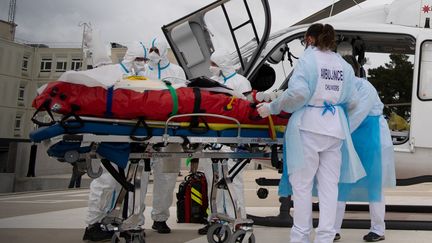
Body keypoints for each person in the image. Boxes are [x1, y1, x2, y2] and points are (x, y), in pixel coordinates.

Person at [257, 23, 366, 243]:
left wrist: (272, 108)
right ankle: (325, 237)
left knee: (302, 185)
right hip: (334, 129)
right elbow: (354, 100)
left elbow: (297, 93)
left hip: (308, 127)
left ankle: (300, 237)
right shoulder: (342, 65)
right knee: (329, 186)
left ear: (309, 39)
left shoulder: (308, 60)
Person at [82, 41, 148, 242]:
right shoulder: (111, 74)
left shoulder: (141, 78)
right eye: (139, 59)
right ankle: (93, 224)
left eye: (144, 60)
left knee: (130, 185)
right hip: (110, 138)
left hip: (130, 138)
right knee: (105, 184)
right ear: (130, 58)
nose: (142, 63)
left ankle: (125, 222)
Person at [333, 55, 396, 242]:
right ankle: (332, 229)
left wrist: (334, 136)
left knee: (373, 185)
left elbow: (357, 116)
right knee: (339, 184)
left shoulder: (365, 87)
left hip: (370, 138)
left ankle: (378, 229)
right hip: (350, 137)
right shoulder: (341, 88)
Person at [198, 48, 252, 235]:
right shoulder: (213, 82)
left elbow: (246, 108)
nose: (211, 67)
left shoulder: (240, 82)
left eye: (214, 64)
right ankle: (214, 220)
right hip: (211, 138)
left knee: (233, 182)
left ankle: (236, 220)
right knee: (213, 182)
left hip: (233, 140)